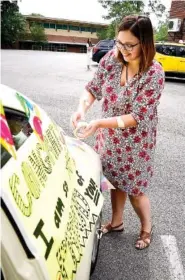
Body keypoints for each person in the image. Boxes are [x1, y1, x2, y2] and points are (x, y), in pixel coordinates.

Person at [71, 15, 165, 250]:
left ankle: (146, 227)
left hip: (136, 144)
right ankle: (117, 222)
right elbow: (92, 89)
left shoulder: (154, 73)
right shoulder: (111, 61)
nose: (123, 50)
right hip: (110, 138)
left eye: (129, 45)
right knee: (113, 182)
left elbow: (137, 117)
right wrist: (82, 108)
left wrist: (100, 123)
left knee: (135, 190)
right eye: (119, 43)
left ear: (145, 43)